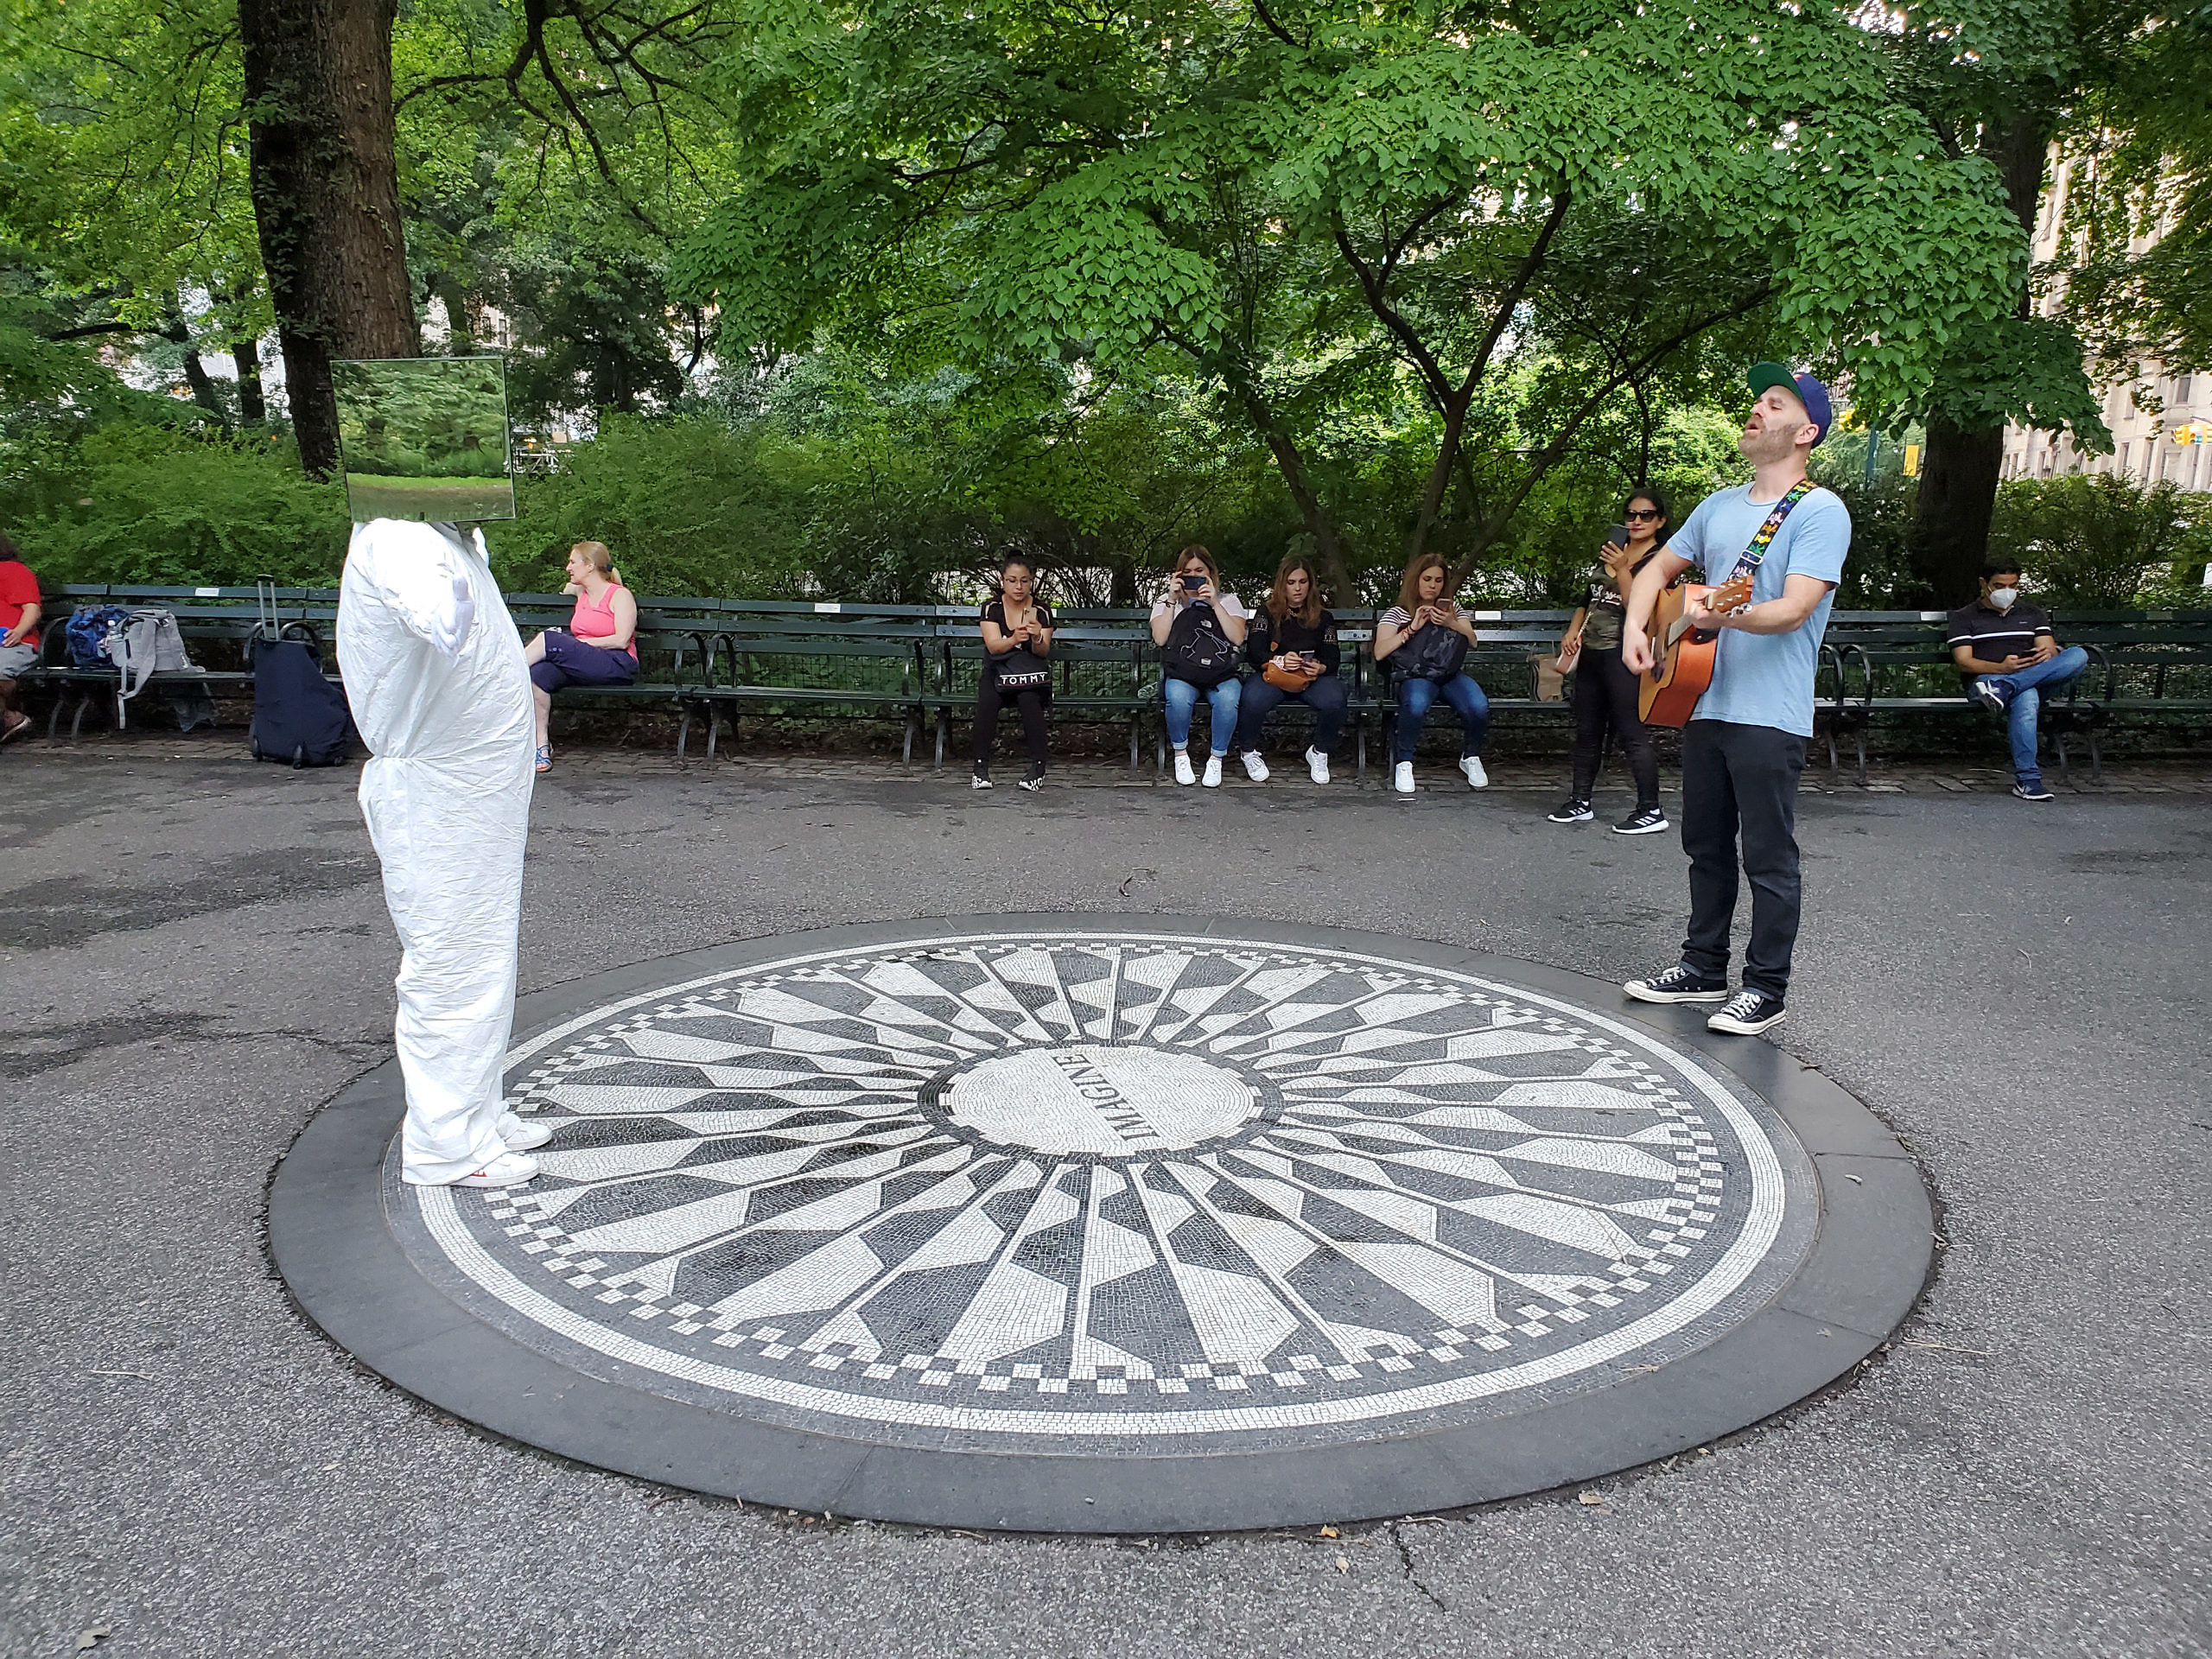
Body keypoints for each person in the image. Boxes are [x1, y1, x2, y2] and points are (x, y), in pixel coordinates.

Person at [1620, 363, 1851, 1037]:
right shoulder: (1718, 506)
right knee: (1705, 845)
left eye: (1774, 403)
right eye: (1757, 399)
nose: (1757, 409)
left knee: (1769, 856)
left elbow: (1793, 609)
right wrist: (1639, 627)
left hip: (1768, 712)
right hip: (1700, 700)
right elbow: (1656, 572)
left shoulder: (1818, 511)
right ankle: (1702, 968)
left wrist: (1721, 617)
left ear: (1806, 430)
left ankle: (1767, 988)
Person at [338, 518, 554, 1189]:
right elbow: (441, 618)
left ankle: (476, 1114)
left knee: (482, 953)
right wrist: (446, 580)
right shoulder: (399, 537)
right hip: (440, 793)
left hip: (470, 790)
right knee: (453, 962)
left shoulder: (447, 533)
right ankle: (446, 1144)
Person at [1549, 491, 1668, 834]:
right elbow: (1588, 599)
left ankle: (1651, 808)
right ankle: (1580, 801)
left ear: (1660, 520)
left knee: (1631, 731)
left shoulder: (1660, 559)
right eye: (1631, 515)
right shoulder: (1615, 551)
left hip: (1626, 651)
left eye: (1646, 515)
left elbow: (1640, 608)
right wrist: (1572, 633)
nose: (1636, 522)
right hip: (1592, 651)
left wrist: (1622, 569)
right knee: (1587, 730)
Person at [1948, 558, 2091, 802]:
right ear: (1984, 584)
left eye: (2013, 586)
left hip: (2018, 681)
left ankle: (2005, 688)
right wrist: (2001, 668)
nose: (2007, 592)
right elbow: (1964, 661)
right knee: (2027, 697)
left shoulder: (2032, 614)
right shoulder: (1965, 617)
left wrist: (2048, 653)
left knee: (2079, 654)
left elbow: (2049, 651)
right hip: (1983, 684)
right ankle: (2028, 780)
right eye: (1999, 585)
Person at [1374, 552, 1489, 795]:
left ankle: (1471, 756)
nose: (1432, 585)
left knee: (1478, 705)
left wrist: (1451, 623)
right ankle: (1404, 762)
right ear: (1416, 580)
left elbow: (1473, 640)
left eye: (1438, 580)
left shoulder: (1453, 609)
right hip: (1416, 674)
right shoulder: (1398, 612)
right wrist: (1412, 628)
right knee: (1415, 704)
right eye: (1427, 579)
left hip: (1448, 673)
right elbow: (1380, 652)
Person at [523, 540, 638, 774]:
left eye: (573, 562)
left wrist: (577, 644)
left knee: (550, 639)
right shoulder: (582, 592)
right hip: (584, 664)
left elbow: (621, 640)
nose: (568, 567)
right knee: (538, 675)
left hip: (616, 663)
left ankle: (502, 675)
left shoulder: (620, 596)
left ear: (590, 566)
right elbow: (568, 587)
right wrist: (573, 588)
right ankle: (541, 747)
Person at [1233, 555, 1344, 784]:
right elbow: (1254, 652)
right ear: (1282, 584)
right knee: (1252, 699)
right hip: (1275, 675)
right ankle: (1248, 752)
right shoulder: (1267, 613)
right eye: (1291, 582)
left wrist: (1320, 667)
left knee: (1336, 698)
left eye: (1302, 582)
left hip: (1309, 678)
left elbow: (1333, 657)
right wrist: (1280, 660)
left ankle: (1319, 752)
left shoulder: (1324, 617)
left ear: (1310, 585)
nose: (1297, 588)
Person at [1150, 545, 1249, 787]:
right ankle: (1181, 754)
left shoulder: (1228, 601)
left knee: (1228, 698)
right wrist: (1172, 600)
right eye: (1187, 572)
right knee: (1177, 696)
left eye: (1199, 571)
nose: (1193, 576)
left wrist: (1214, 603)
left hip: (1220, 673)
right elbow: (1160, 639)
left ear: (1210, 572)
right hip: (1183, 672)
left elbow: (1237, 638)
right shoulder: (1166, 601)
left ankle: (1216, 758)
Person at [974, 556, 1055, 791]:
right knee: (988, 701)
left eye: (1024, 581)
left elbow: (1043, 652)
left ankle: (1038, 768)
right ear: (1003, 581)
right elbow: (993, 646)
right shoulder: (992, 608)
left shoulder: (1041, 610)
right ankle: (980, 768)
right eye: (1012, 580)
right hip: (997, 671)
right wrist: (1014, 639)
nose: (1018, 587)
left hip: (1028, 674)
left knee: (1029, 699)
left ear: (1031, 582)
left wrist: (1037, 636)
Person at [0, 531, 41, 745]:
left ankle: (8, 718)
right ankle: (9, 718)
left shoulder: (14, 571)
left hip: (13, 642)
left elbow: (32, 610)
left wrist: (18, 632)